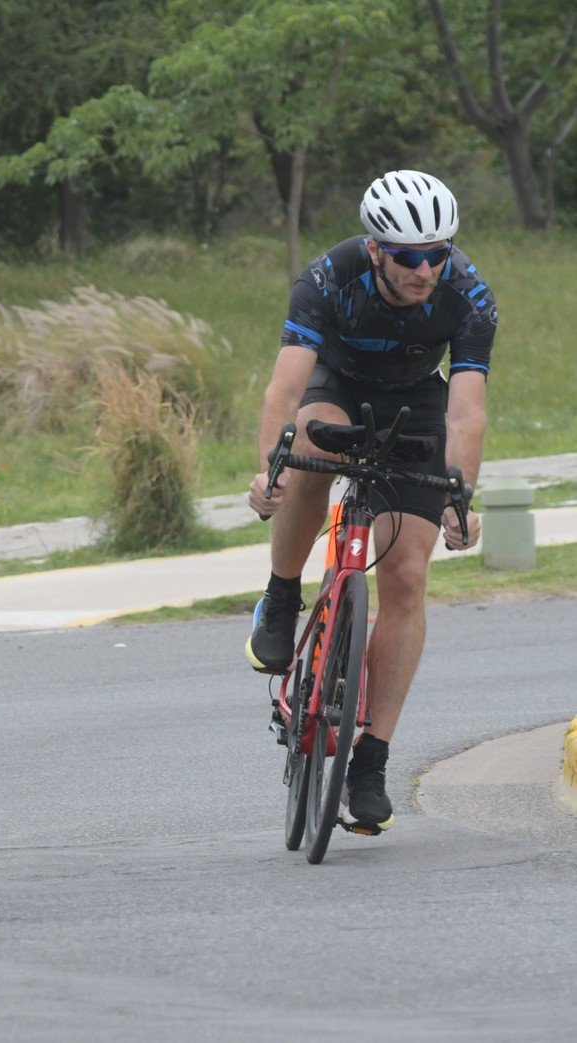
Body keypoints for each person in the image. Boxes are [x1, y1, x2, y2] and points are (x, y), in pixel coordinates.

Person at [245, 169, 494, 832]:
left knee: (407, 574)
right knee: (312, 451)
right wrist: (269, 466)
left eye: (436, 252)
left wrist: (458, 494)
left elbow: (465, 411)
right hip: (336, 383)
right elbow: (284, 388)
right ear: (376, 247)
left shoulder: (467, 295)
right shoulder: (328, 277)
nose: (424, 268)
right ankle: (279, 592)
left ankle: (370, 760)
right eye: (409, 255)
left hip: (415, 404)